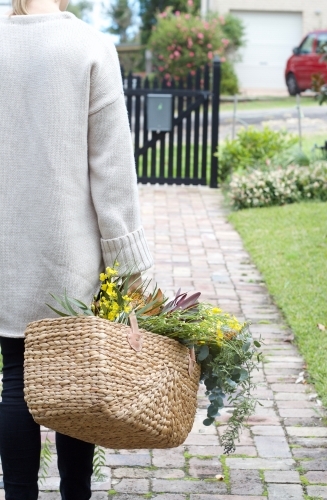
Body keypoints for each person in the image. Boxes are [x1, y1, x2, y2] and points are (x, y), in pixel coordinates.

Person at [0, 0, 153, 498]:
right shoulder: (91, 46)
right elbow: (112, 175)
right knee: (75, 384)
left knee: (15, 384)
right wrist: (133, 274)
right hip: (69, 263)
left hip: (6, 257)